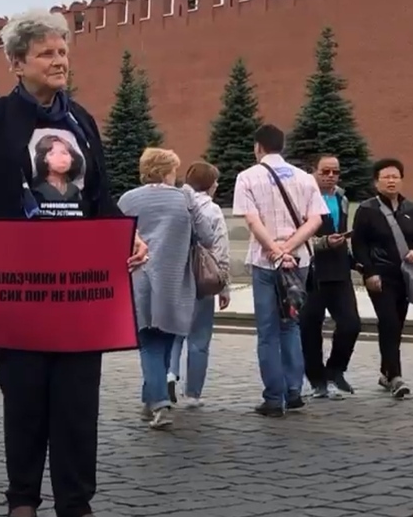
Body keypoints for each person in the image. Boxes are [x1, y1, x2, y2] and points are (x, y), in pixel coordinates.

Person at [0, 9, 147, 517]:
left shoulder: (82, 122)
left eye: (63, 52)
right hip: (18, 281)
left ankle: (77, 505)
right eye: (47, 53)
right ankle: (23, 499)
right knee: (25, 395)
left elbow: (99, 198)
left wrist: (128, 236)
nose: (59, 61)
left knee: (78, 399)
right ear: (17, 62)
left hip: (79, 284)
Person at [233, 124, 325, 417]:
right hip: (298, 261)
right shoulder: (305, 177)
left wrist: (274, 249)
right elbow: (315, 220)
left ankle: (274, 397)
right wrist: (290, 247)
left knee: (268, 330)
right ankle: (294, 391)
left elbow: (252, 220)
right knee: (291, 325)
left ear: (258, 147)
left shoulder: (247, 177)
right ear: (282, 146)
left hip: (265, 261)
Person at [119, 149, 215, 430]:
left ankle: (152, 399)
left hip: (139, 279)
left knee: (150, 342)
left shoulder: (127, 200)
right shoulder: (184, 199)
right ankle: (159, 403)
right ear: (166, 171)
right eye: (173, 169)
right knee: (162, 340)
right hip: (174, 282)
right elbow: (207, 236)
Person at [350, 158, 413, 399]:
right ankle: (396, 376)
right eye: (386, 177)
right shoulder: (367, 210)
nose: (391, 181)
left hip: (404, 276)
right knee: (388, 322)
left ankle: (386, 373)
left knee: (396, 324)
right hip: (380, 276)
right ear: (376, 182)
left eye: (395, 176)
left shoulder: (411, 209)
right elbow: (359, 244)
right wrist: (369, 272)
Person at [168, 161, 231, 408]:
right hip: (201, 279)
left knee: (173, 333)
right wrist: (224, 285)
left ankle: (169, 373)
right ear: (210, 184)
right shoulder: (212, 210)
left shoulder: (174, 204)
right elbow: (220, 249)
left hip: (175, 276)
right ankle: (193, 393)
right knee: (199, 338)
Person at [300, 154, 361, 399]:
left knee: (351, 324)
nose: (331, 177)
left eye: (335, 172)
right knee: (310, 328)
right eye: (325, 172)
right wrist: (324, 242)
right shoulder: (303, 197)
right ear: (313, 171)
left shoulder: (341, 198)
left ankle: (335, 370)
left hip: (339, 271)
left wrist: (355, 261)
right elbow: (298, 236)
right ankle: (317, 380)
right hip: (312, 272)